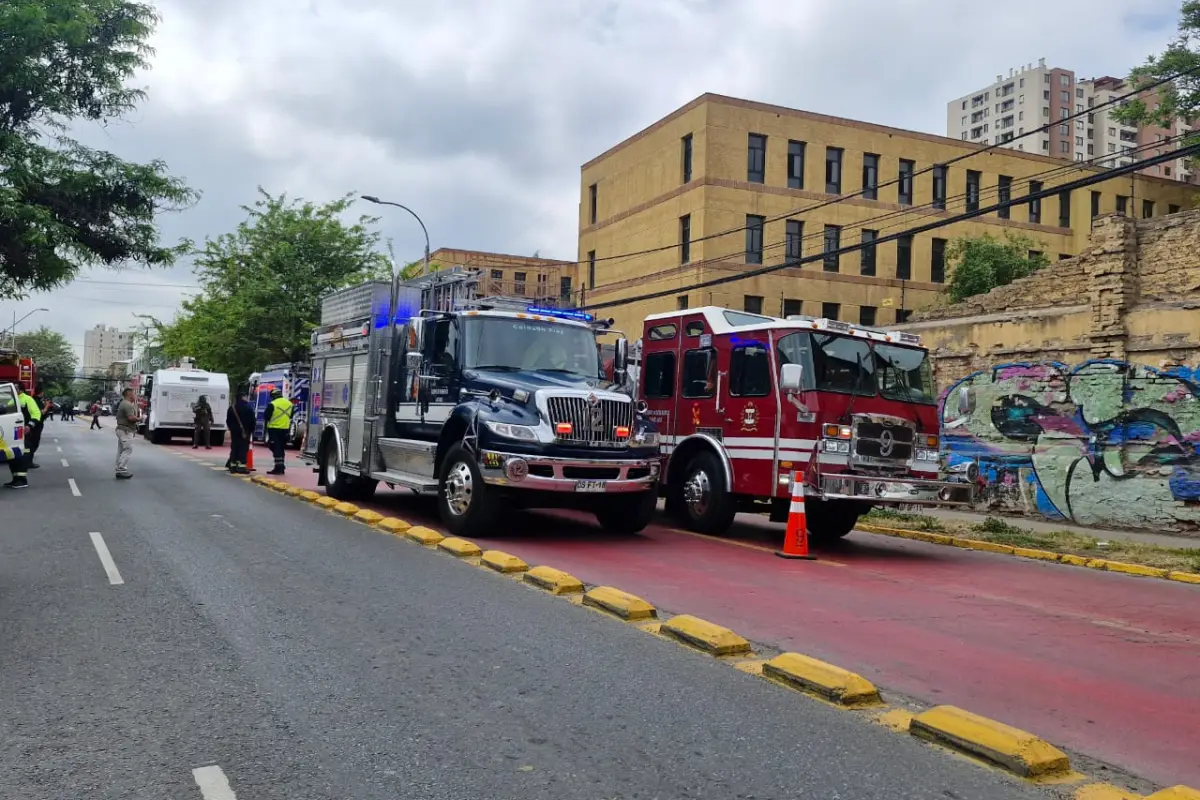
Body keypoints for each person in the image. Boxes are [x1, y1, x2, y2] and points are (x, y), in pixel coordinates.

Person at [6, 382, 42, 489]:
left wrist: (29, 426)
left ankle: (22, 480)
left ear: (20, 389)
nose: (13, 390)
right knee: (13, 456)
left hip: (24, 432)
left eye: (16, 388)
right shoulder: (12, 400)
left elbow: (36, 413)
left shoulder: (28, 399)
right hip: (13, 432)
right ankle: (15, 479)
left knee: (22, 455)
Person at [264, 388, 293, 475]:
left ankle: (278, 468)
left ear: (273, 396)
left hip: (274, 429)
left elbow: (266, 416)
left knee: (275, 447)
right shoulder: (290, 404)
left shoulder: (272, 404)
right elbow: (291, 416)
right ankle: (281, 466)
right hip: (285, 429)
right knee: (281, 448)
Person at [226, 389, 256, 473]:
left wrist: (232, 429)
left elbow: (228, 421)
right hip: (245, 432)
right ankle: (241, 467)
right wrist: (251, 430)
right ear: (243, 397)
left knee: (234, 447)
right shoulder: (248, 408)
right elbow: (253, 421)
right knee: (243, 448)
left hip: (234, 432)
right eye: (246, 397)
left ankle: (232, 466)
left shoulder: (231, 408)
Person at [114, 387, 138, 480]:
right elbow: (131, 418)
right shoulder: (127, 404)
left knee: (121, 450)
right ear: (129, 394)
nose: (135, 395)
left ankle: (119, 469)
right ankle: (121, 469)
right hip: (125, 430)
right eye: (134, 393)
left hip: (122, 429)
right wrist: (140, 419)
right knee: (128, 449)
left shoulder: (124, 403)